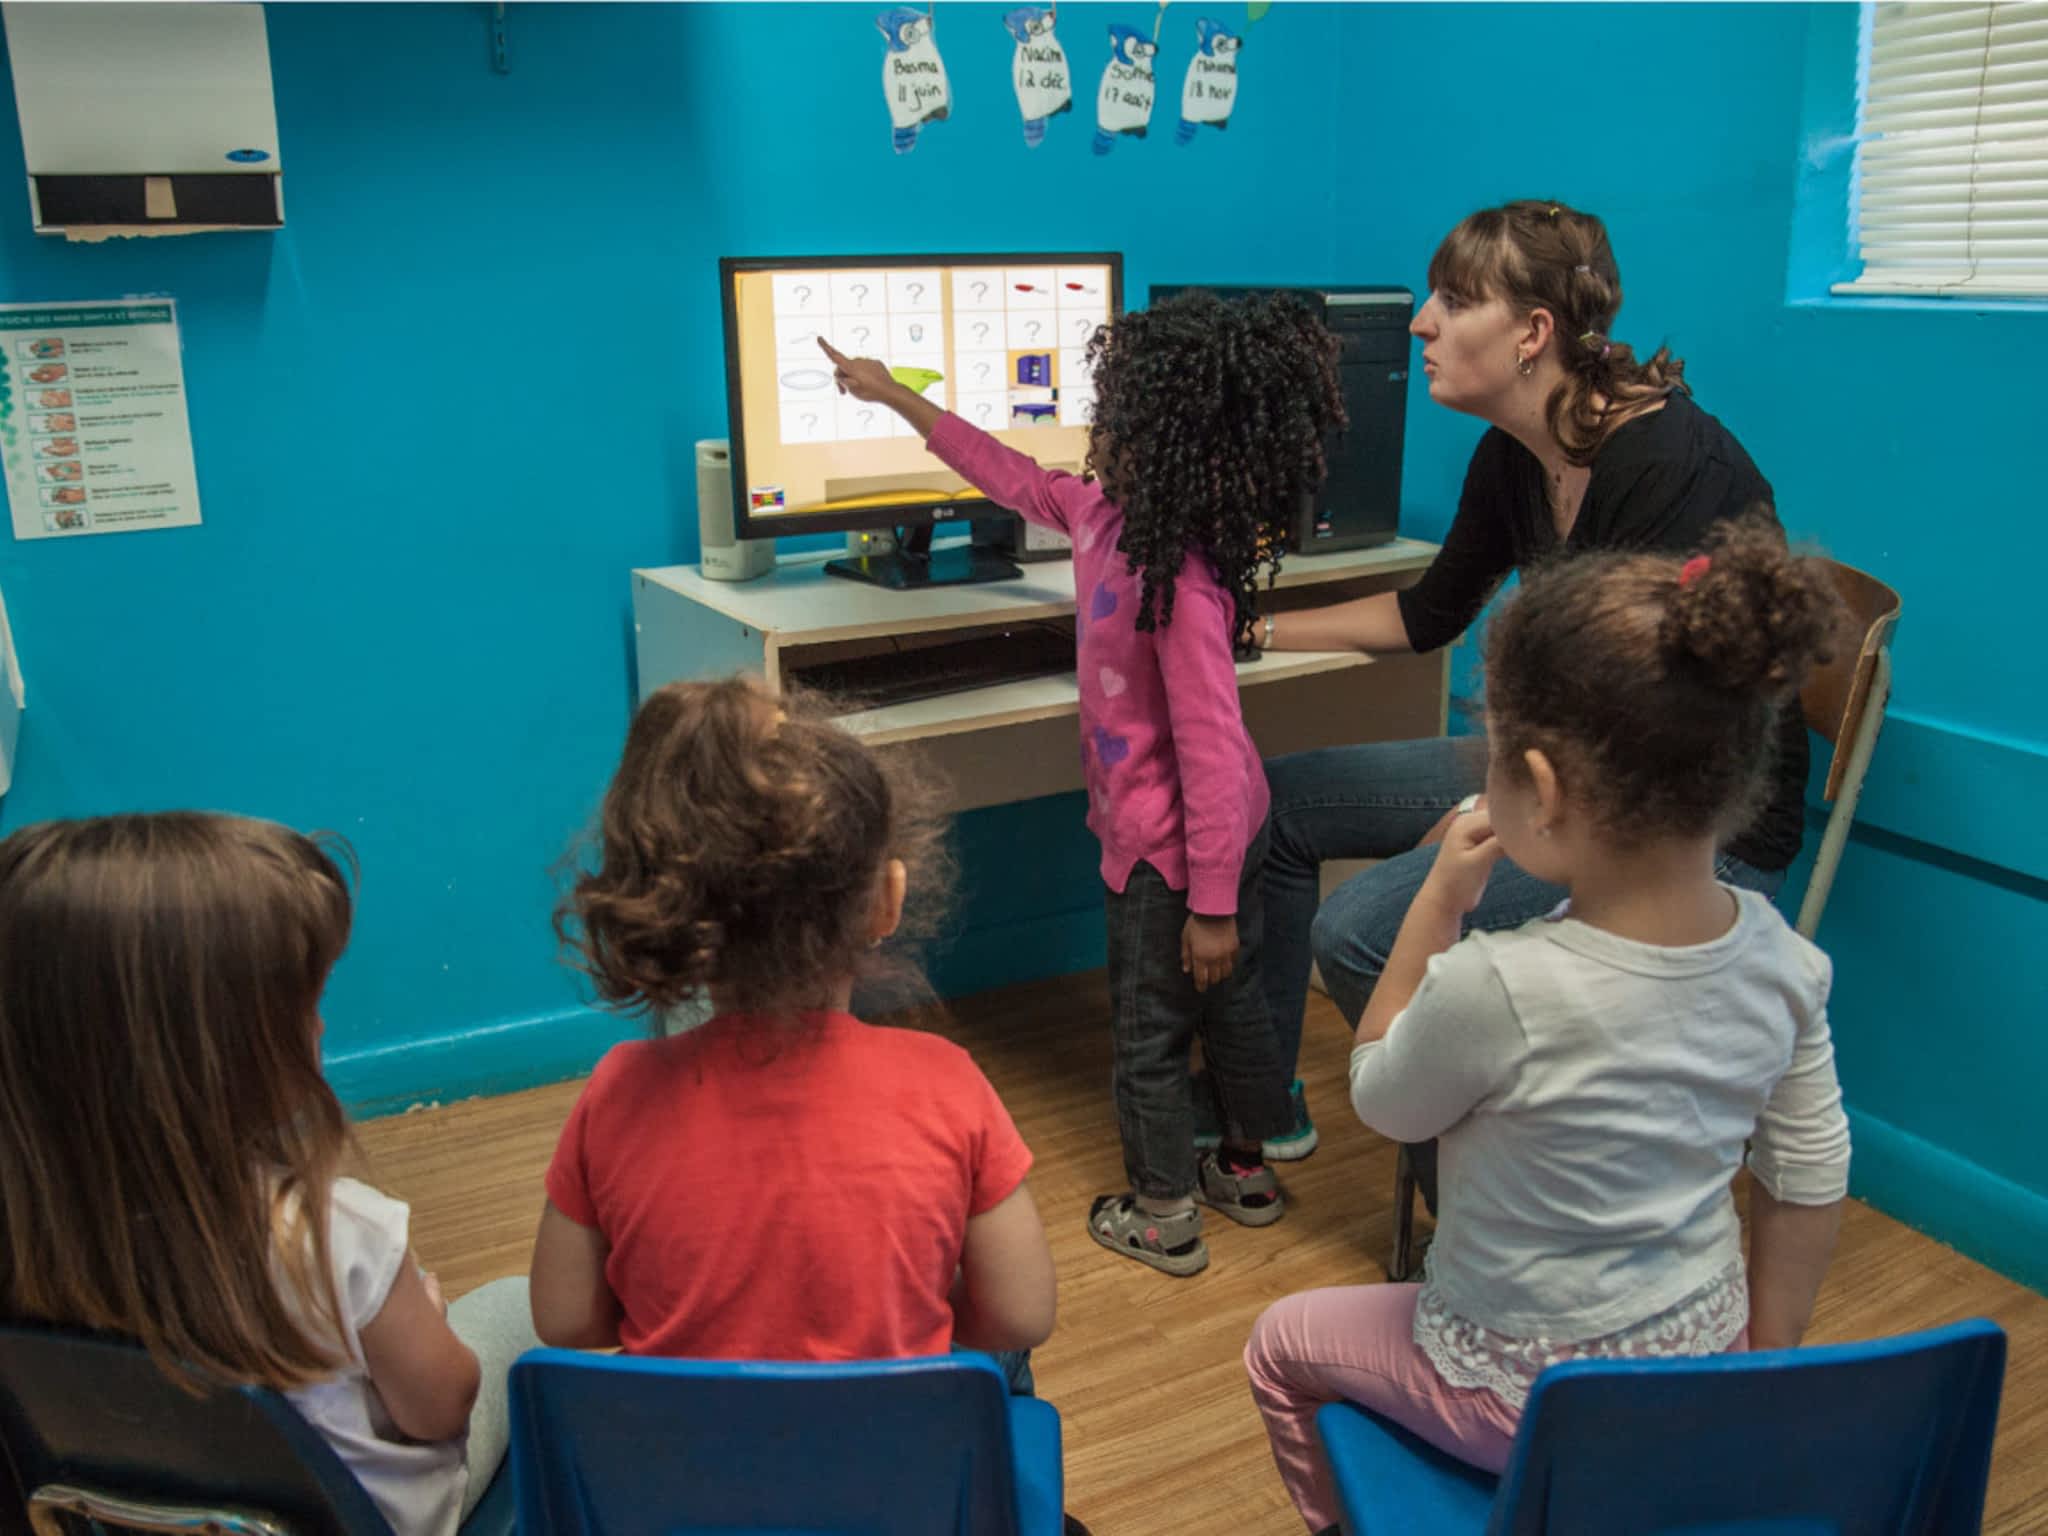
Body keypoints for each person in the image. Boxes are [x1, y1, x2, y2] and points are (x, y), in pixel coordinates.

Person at [1242, 524, 1853, 1533]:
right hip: (1697, 1364)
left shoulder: (1502, 984)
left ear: (1544, 790)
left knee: (1279, 1343)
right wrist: (1762, 1367)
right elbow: (1808, 1169)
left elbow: (1382, 1096)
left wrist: (1434, 904)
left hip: (1514, 1392)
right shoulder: (1785, 963)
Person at [1244, 199, 1806, 1184]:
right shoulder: (1515, 451)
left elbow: (1636, 728)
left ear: (1531, 333)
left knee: (1363, 929)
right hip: (1558, 774)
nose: (1419, 322)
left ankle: (1474, 1210)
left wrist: (1470, 817)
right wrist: (1246, 631)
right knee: (1274, 804)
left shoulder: (1671, 468)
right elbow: (1430, 612)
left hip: (1675, 823)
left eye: (1451, 302)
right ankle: (1262, 1104)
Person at [819, 288, 1346, 1276]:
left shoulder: (1179, 582)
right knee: (1229, 1013)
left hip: (1176, 855)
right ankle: (1243, 1168)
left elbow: (1207, 748)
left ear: (1162, 435)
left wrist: (1213, 904)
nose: (1097, 424)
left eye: (1114, 410)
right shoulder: (1099, 513)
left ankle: (1162, 1214)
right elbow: (1005, 472)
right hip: (1183, 844)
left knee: (1149, 1033)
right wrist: (897, 397)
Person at [0, 813, 533, 1536]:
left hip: (147, 1515)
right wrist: (428, 1321)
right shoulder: (332, 1231)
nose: (318, 1027)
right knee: (520, 1302)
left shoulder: (30, 1229)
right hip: (366, 1521)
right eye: (301, 1006)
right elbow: (441, 1409)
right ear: (209, 1056)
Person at [530, 677, 1058, 1380]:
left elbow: (563, 1318)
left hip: (685, 1476)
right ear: (887, 902)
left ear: (681, 921)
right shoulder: (948, 1086)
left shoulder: (618, 1093)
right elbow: (1022, 1313)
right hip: (899, 1472)